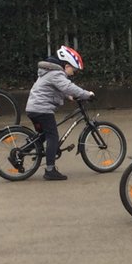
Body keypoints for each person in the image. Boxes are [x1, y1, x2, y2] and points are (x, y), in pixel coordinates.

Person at [24, 45, 94, 181]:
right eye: (73, 69)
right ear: (67, 65)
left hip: (34, 108)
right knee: (53, 136)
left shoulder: (49, 72)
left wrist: (69, 97)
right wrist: (87, 94)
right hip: (42, 109)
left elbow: (57, 89)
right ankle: (50, 170)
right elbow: (67, 86)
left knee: (43, 135)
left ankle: (21, 153)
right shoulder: (56, 73)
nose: (74, 73)